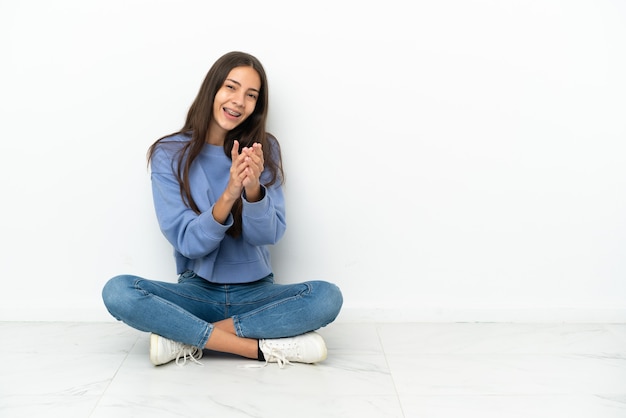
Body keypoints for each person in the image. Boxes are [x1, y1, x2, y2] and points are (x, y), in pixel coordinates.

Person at [102, 51, 343, 368]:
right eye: (231, 87)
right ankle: (258, 349)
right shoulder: (169, 152)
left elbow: (269, 235)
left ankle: (186, 338)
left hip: (256, 295)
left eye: (251, 95)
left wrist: (253, 190)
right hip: (196, 293)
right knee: (118, 291)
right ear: (212, 89)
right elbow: (188, 242)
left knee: (326, 297)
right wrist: (229, 194)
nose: (239, 101)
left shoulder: (263, 148)